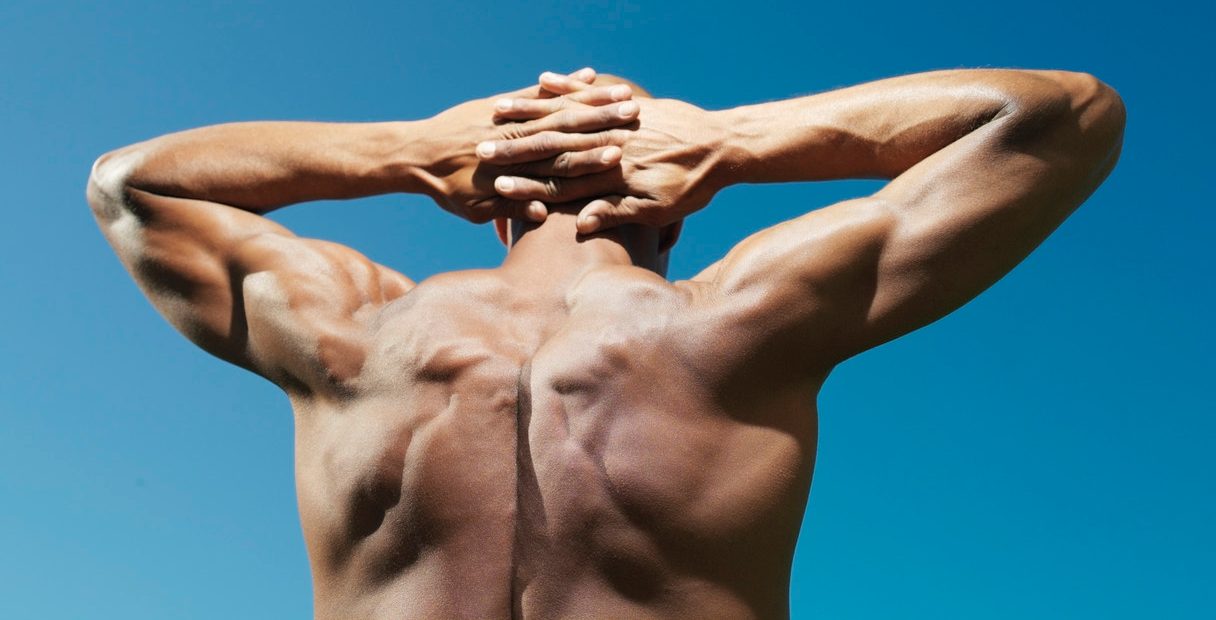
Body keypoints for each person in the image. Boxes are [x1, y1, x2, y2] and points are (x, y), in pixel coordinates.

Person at [86, 66, 1125, 619]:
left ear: (494, 206)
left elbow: (132, 185)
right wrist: (730, 139)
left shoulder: (357, 327)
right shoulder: (745, 317)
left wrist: (411, 153)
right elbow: (1062, 114)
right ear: (674, 204)